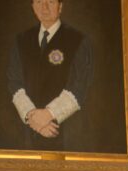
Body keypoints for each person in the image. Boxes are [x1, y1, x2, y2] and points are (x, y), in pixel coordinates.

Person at [6, 0, 92, 152]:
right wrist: (32, 118)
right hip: (26, 132)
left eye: (51, 2)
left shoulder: (78, 40)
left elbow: (80, 85)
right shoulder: (21, 40)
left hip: (64, 130)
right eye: (39, 1)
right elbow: (14, 81)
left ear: (60, 6)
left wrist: (48, 114)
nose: (44, 7)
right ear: (33, 7)